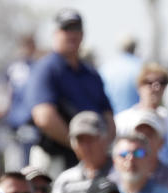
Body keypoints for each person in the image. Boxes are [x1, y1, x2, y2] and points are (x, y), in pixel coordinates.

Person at [24, 9, 114, 172]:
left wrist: (99, 148)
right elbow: (44, 117)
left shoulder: (91, 73)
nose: (72, 34)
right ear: (56, 33)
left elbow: (108, 116)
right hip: (56, 158)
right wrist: (81, 145)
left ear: (82, 34)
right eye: (66, 29)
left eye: (76, 29)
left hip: (93, 161)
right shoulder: (46, 68)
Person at [51, 111, 112, 193]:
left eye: (91, 139)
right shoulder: (65, 180)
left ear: (104, 139)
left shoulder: (121, 173)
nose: (86, 146)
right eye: (80, 140)